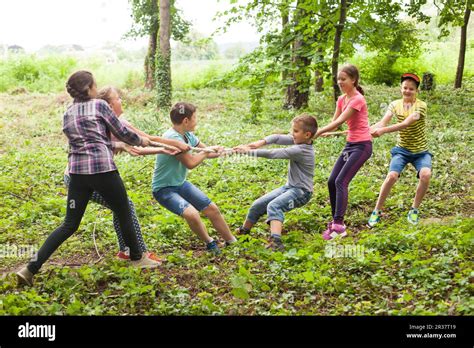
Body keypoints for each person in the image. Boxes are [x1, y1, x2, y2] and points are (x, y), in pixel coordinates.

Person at [16, 71, 160, 287]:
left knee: (69, 224)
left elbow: (84, 142)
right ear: (89, 88)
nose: (96, 87)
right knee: (123, 209)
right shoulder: (99, 106)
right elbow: (121, 131)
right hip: (102, 170)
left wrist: (123, 143)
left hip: (77, 174)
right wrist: (140, 140)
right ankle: (138, 258)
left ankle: (29, 269)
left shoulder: (68, 112)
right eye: (94, 84)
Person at [62, 86, 187, 261]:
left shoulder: (121, 122)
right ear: (108, 105)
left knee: (120, 207)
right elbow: (137, 149)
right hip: (82, 176)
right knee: (125, 206)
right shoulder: (105, 121)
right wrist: (168, 149)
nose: (121, 100)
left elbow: (146, 138)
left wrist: (171, 146)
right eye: (118, 98)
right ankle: (140, 253)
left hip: (88, 174)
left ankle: (126, 251)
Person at [137, 102, 237, 255]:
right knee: (192, 214)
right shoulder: (172, 139)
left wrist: (221, 151)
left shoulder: (188, 135)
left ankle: (231, 241)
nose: (196, 121)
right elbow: (191, 163)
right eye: (195, 117)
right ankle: (210, 242)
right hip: (164, 189)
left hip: (180, 184)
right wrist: (205, 152)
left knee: (212, 209)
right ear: (186, 121)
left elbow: (206, 151)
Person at [233, 114, 317, 251]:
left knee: (274, 206)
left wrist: (248, 152)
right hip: (290, 187)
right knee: (257, 205)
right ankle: (244, 232)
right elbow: (277, 137)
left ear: (307, 134)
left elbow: (273, 153)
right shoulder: (300, 141)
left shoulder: (300, 150)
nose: (292, 134)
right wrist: (259, 143)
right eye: (292, 130)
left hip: (302, 192)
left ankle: (276, 242)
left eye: (295, 131)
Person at [315, 64, 372, 240]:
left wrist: (317, 133)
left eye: (343, 79)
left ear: (353, 80)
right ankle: (335, 222)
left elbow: (340, 119)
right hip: (349, 145)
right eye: (338, 79)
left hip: (362, 145)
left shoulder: (358, 99)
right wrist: (326, 132)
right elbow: (336, 122)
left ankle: (339, 226)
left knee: (341, 181)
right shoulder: (342, 99)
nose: (340, 82)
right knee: (332, 181)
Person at [368, 73, 431, 227]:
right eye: (405, 88)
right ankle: (377, 210)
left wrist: (383, 131)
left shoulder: (421, 106)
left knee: (426, 175)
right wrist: (368, 130)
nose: (407, 91)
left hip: (420, 152)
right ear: (400, 88)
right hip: (402, 150)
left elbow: (405, 124)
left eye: (411, 89)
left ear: (417, 91)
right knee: (391, 176)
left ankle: (414, 209)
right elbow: (383, 122)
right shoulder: (395, 104)